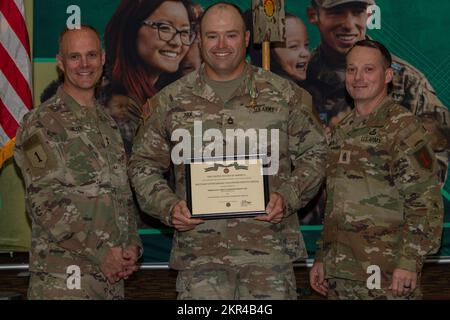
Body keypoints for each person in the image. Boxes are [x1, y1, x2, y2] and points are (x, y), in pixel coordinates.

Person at [128, 2, 327, 299]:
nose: (221, 45)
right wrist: (168, 206)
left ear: (247, 39)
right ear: (199, 38)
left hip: (269, 257)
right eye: (212, 36)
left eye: (231, 35)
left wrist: (288, 196)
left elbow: (316, 154)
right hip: (200, 261)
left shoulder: (286, 97)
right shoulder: (169, 102)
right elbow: (142, 165)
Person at [14, 26, 142, 300]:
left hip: (110, 276)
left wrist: (131, 245)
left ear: (103, 58)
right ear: (60, 62)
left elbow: (121, 194)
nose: (84, 64)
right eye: (75, 57)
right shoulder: (40, 123)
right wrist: (101, 253)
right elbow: (44, 202)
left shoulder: (107, 123)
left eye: (91, 55)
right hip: (64, 277)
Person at [309, 39, 444, 300]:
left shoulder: (403, 128)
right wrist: (322, 256)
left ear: (388, 75)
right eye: (351, 69)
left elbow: (426, 202)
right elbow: (336, 203)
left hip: (387, 276)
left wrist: (409, 262)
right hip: (342, 275)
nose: (358, 77)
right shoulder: (343, 129)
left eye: (369, 69)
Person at [305, 0, 449, 183]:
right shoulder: (297, 78)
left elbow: (434, 159)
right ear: (314, 15)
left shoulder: (405, 81)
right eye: (337, 12)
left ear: (370, 15)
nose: (349, 25)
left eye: (357, 11)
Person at [104, 0, 196, 154]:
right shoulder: (107, 103)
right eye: (165, 28)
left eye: (184, 32)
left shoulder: (174, 97)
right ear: (131, 29)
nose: (177, 42)